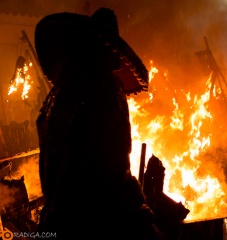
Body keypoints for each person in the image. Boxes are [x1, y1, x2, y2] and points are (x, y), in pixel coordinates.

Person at [34, 8, 161, 239]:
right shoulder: (106, 87)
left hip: (53, 224)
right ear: (101, 49)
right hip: (94, 223)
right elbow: (114, 169)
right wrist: (142, 215)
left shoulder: (55, 95)